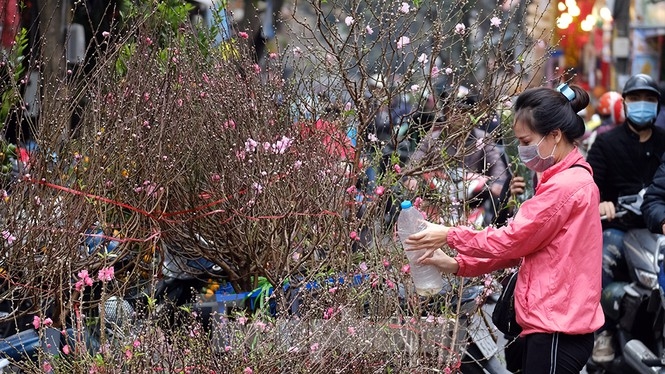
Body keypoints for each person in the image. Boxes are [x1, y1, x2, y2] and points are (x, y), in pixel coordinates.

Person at [403, 83, 604, 373]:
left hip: (556, 327)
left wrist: (449, 235)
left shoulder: (566, 186)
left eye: (526, 141)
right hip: (548, 324)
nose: (522, 150)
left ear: (555, 135)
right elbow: (521, 248)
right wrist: (457, 264)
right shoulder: (559, 179)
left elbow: (512, 239)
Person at [585, 73, 665, 363]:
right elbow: (589, 186)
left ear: (657, 105)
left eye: (649, 99)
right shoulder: (606, 144)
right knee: (603, 258)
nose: (642, 104)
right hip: (619, 229)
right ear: (625, 103)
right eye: (635, 99)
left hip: (659, 231)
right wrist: (602, 203)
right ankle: (603, 331)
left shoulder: (664, 142)